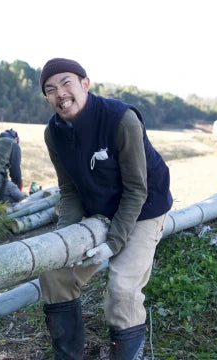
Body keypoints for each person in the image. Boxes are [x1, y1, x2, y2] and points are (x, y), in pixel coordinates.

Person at [38, 58, 173, 360]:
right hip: (99, 208)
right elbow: (69, 190)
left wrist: (113, 242)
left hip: (144, 207)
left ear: (85, 83)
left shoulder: (120, 119)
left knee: (122, 291)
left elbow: (137, 189)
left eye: (66, 83)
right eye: (50, 89)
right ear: (46, 97)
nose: (60, 93)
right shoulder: (53, 133)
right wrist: (64, 243)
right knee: (54, 275)